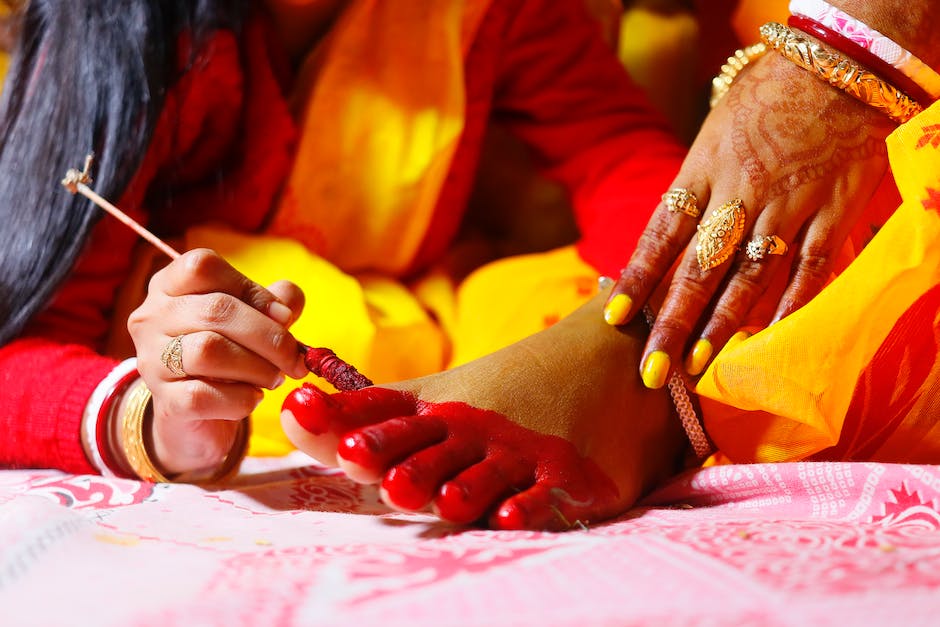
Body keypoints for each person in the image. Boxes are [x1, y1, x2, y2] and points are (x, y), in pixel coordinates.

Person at [279, 0, 940, 530]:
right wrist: (176, 394)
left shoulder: (492, 12)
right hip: (267, 320)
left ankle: (645, 373)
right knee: (499, 305)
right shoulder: (180, 49)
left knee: (817, 244)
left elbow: (615, 154)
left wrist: (640, 302)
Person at [0, 1, 688, 486]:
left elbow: (620, 156)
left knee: (634, 297)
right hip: (197, 381)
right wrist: (159, 420)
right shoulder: (120, 26)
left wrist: (615, 336)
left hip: (435, 335)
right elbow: (15, 356)